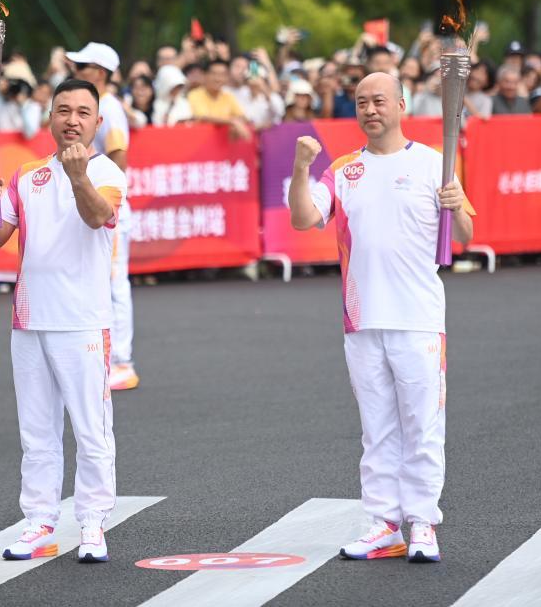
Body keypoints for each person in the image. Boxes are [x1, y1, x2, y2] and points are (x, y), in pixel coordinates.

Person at [288, 72, 475, 564]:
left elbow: (466, 235)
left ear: (401, 104)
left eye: (379, 101)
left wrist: (456, 207)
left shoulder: (434, 163)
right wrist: (302, 168)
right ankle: (384, 524)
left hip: (418, 318)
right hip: (362, 318)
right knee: (377, 429)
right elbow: (304, 218)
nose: (370, 110)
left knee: (422, 425)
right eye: (361, 102)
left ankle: (423, 523)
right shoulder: (343, 170)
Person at [0, 78, 126, 563]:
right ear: (50, 117)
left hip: (82, 321)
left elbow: (97, 217)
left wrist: (78, 177)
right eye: (63, 110)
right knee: (36, 431)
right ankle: (39, 521)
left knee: (90, 429)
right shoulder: (27, 175)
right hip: (30, 320)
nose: (72, 120)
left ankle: (92, 522)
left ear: (97, 122)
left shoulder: (107, 173)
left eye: (83, 112)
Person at [66, 42, 140, 391]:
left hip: (108, 207)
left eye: (81, 67)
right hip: (91, 204)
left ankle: (122, 361)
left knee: (113, 284)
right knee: (96, 282)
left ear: (99, 72)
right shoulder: (95, 105)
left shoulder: (108, 107)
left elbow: (118, 155)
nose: (75, 72)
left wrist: (107, 197)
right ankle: (103, 357)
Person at [187, 59, 252, 139]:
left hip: (222, 143)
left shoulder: (228, 96)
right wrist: (232, 122)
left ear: (227, 78)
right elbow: (202, 117)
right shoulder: (195, 94)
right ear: (205, 75)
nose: (218, 79)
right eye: (213, 74)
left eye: (222, 75)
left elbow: (243, 117)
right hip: (200, 141)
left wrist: (236, 124)